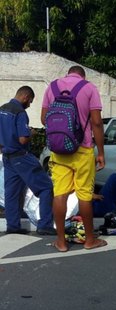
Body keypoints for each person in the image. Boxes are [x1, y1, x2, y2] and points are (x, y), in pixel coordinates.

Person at [41, 65, 106, 252]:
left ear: (67, 73)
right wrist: (100, 152)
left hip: (58, 151)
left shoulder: (51, 87)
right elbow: (96, 122)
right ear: (82, 75)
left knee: (59, 194)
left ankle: (61, 242)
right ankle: (90, 240)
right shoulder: (89, 88)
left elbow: (44, 118)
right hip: (83, 149)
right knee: (84, 195)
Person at [0, 86, 55, 235]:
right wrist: (32, 133)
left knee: (12, 193)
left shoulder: (2, 109)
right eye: (30, 101)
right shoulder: (20, 112)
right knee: (46, 187)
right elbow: (23, 139)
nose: (29, 104)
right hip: (22, 157)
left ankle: (13, 226)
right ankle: (45, 225)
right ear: (25, 97)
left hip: (7, 157)